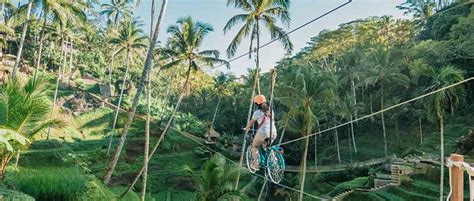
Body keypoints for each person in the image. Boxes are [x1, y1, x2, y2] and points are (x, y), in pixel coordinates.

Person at [243, 95, 277, 171]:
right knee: (266, 145)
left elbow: (251, 123)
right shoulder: (271, 111)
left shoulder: (257, 113)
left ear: (256, 104)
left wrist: (246, 128)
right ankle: (273, 158)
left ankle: (256, 165)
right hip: (273, 132)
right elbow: (273, 121)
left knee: (254, 145)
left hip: (263, 133)